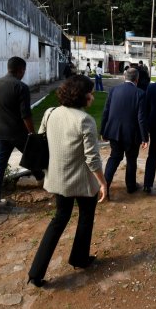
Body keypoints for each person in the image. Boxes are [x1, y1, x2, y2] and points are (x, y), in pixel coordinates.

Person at [28, 75, 106, 287]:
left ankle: (36, 272)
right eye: (90, 91)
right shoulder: (84, 120)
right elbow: (92, 157)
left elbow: (42, 141)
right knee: (86, 215)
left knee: (59, 218)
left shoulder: (50, 112)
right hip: (81, 181)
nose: (93, 95)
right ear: (82, 95)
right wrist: (103, 182)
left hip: (57, 178)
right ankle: (79, 258)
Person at [0, 57, 44, 214]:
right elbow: (25, 114)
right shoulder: (21, 87)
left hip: (0, 132)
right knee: (32, 155)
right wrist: (32, 132)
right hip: (18, 132)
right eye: (23, 71)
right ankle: (40, 179)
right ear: (21, 70)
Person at [100, 68, 149, 199]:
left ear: (124, 77)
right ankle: (131, 186)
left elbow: (106, 111)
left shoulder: (114, 90)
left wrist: (103, 130)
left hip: (114, 132)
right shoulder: (140, 93)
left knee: (114, 158)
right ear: (137, 79)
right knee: (131, 160)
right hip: (132, 134)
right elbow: (141, 118)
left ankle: (105, 186)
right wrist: (145, 137)